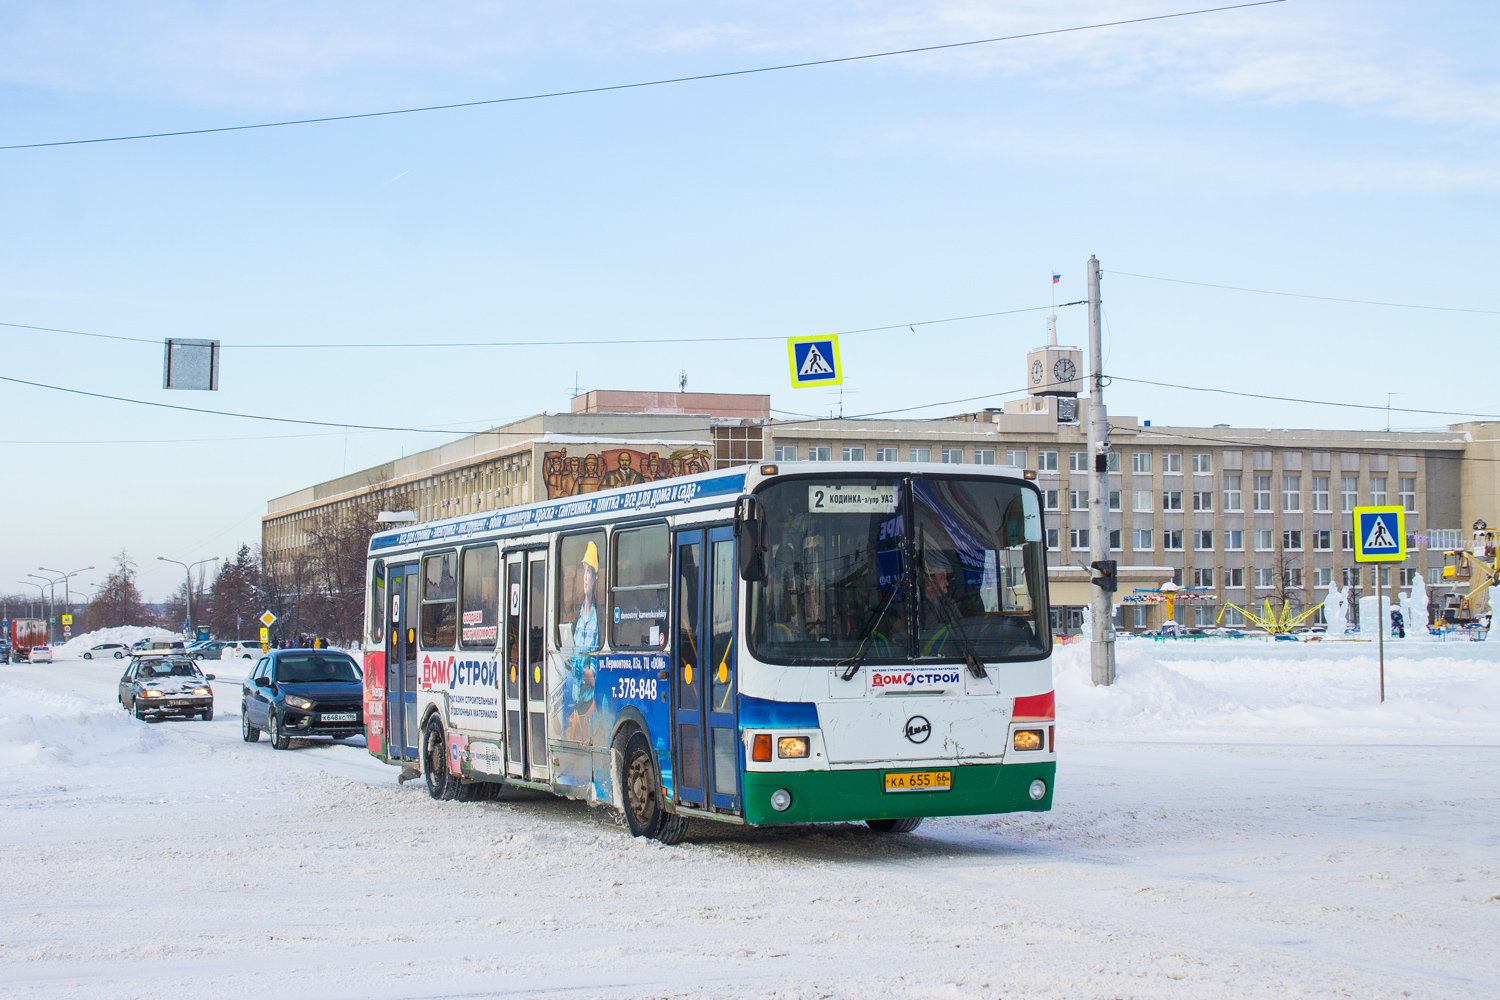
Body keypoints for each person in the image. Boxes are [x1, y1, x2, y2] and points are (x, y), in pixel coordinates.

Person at [563, 541, 600, 741]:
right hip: (575, 708)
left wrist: (578, 670)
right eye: (584, 571)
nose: (585, 577)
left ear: (595, 578)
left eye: (590, 572)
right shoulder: (579, 616)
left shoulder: (598, 618)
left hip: (589, 711)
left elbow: (593, 678)